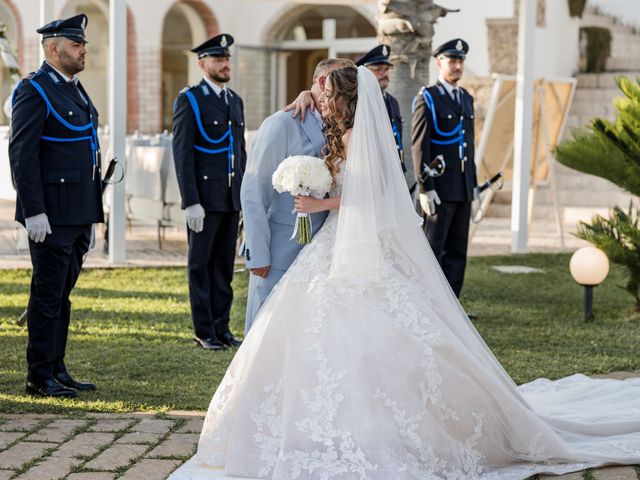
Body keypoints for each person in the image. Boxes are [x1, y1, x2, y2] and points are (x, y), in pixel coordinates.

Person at [169, 66, 640, 480]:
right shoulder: (339, 125)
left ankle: (374, 430)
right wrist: (308, 110)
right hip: (332, 245)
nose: (321, 100)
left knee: (365, 338)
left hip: (350, 240)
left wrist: (321, 201)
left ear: (346, 99)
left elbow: (372, 198)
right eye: (320, 93)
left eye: (328, 94)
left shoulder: (356, 135)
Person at [9, 14, 101, 398]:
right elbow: (22, 154)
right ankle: (39, 374)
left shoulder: (75, 89)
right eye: (76, 44)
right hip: (50, 214)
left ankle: (57, 368)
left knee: (62, 295)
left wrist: (93, 213)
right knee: (46, 296)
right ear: (53, 47)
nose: (83, 49)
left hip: (78, 212)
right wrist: (33, 211)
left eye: (83, 44)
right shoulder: (35, 89)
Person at [241, 58, 354, 335]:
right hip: (282, 245)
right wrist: (257, 251)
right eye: (331, 89)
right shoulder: (281, 123)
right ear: (321, 83)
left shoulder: (344, 124)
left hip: (327, 247)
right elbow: (253, 191)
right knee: (266, 328)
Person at [172, 34, 245, 351]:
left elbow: (239, 152)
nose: (224, 64)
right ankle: (204, 331)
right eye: (218, 59)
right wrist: (191, 202)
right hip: (203, 199)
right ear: (202, 64)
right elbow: (182, 154)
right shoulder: (190, 99)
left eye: (227, 59)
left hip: (229, 198)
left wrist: (243, 196)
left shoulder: (234, 101)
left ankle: (222, 327)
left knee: (223, 267)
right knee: (200, 266)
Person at [412, 38, 477, 298]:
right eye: (452, 61)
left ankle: (454, 310)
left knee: (458, 252)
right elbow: (420, 145)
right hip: (439, 188)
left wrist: (473, 184)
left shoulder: (467, 98)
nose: (457, 66)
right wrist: (426, 187)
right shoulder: (428, 98)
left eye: (460, 61)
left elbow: (468, 145)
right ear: (439, 63)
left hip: (462, 187)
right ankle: (429, 305)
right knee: (433, 250)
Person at [355, 44, 406, 172]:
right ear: (365, 72)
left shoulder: (392, 101)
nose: (384, 74)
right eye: (378, 70)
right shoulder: (358, 101)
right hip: (371, 171)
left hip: (394, 170)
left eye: (386, 69)